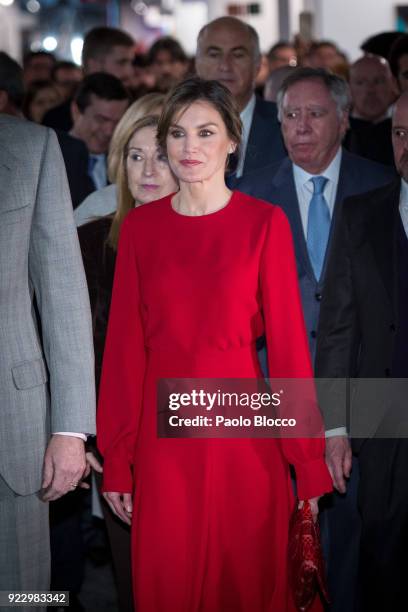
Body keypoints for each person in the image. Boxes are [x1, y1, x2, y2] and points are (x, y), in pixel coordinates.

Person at [97, 76, 331, 611]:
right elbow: (125, 354)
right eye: (176, 134)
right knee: (171, 582)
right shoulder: (141, 229)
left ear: (232, 141)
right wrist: (117, 456)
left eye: (205, 132)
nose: (189, 148)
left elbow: (291, 353)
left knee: (245, 581)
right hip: (165, 447)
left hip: (244, 437)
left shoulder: (263, 224)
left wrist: (307, 461)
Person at [237, 67, 395, 612]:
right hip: (277, 387)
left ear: (345, 120)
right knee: (286, 532)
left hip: (366, 389)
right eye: (290, 115)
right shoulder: (251, 192)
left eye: (316, 114)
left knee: (354, 531)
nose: (301, 126)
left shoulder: (383, 187)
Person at [316, 91, 408, 612]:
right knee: (382, 572)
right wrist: (334, 428)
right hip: (382, 429)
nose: (406, 145)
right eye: (398, 133)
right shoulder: (361, 214)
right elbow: (338, 330)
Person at [0, 115, 95, 608]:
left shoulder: (30, 146)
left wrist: (71, 429)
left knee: (19, 598)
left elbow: (62, 291)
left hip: (11, 432)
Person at [195, 16, 286, 179]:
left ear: (258, 64)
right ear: (197, 63)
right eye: (214, 54)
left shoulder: (285, 124)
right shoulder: (176, 126)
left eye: (237, 55)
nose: (225, 65)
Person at [43, 26, 134, 131]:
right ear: (94, 65)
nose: (130, 72)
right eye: (122, 62)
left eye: (131, 62)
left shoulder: (135, 111)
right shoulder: (57, 121)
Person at [70, 73, 130, 193]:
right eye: (101, 119)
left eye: (117, 122)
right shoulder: (52, 162)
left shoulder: (125, 163)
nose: (109, 131)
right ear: (76, 111)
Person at [344, 55, 396, 166]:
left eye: (379, 81)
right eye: (361, 82)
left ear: (392, 84)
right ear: (349, 88)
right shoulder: (333, 133)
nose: (370, 90)